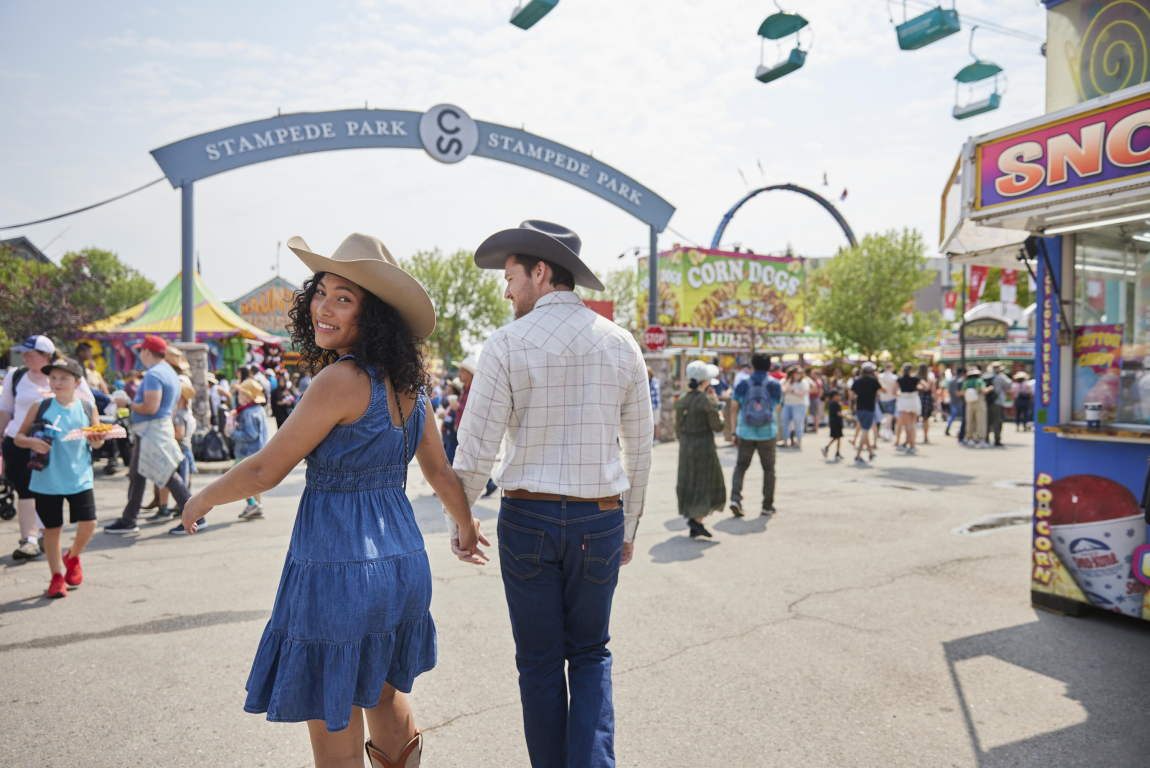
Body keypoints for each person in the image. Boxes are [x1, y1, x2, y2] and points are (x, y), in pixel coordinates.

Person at [180, 233, 482, 767]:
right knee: (386, 692)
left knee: (334, 704)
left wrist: (202, 496)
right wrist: (464, 527)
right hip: (403, 563)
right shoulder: (411, 385)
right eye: (321, 292)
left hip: (338, 565)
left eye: (344, 297)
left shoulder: (338, 380)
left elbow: (265, 469)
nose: (324, 305)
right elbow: (439, 471)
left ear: (376, 315)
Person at [453, 220, 652, 767]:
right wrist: (629, 527)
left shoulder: (506, 344)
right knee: (589, 655)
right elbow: (640, 449)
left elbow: (475, 451)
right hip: (600, 519)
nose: (506, 288)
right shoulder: (621, 343)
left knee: (539, 662)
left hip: (527, 521)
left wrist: (461, 521)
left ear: (540, 272)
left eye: (511, 276)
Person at [15, 358, 105, 598]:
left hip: (80, 477)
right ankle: (56, 577)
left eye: (63, 378)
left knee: (89, 524)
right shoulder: (40, 406)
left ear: (77, 382)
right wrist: (32, 441)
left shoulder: (87, 407)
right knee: (52, 530)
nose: (57, 382)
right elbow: (18, 437)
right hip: (46, 479)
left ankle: (73, 556)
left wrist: (98, 441)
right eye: (53, 377)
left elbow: (97, 440)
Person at [1, 336, 95, 559]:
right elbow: (5, 410)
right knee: (25, 491)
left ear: (46, 356)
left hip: (59, 447)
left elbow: (87, 408)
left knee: (50, 494)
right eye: (23, 353)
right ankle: (29, 540)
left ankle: (47, 535)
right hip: (20, 440)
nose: (25, 357)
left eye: (30, 353)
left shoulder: (67, 375)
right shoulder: (16, 375)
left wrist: (93, 437)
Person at [104, 335, 195, 535]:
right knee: (138, 474)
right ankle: (129, 518)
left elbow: (151, 406)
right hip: (156, 430)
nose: (139, 354)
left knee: (167, 474)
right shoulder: (169, 372)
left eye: (141, 350)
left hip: (152, 431)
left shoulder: (154, 374)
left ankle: (196, 515)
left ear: (147, 351)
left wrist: (127, 403)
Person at [675, 361, 725, 538]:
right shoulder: (707, 400)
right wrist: (718, 409)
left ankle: (694, 522)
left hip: (686, 445)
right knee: (704, 483)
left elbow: (677, 429)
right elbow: (718, 426)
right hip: (704, 445)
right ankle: (696, 522)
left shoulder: (682, 398)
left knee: (690, 481)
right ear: (705, 381)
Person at [729, 352, 782, 517]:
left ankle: (735, 499)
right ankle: (767, 505)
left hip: (745, 432)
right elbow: (777, 407)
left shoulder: (743, 383)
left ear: (752, 366)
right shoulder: (774, 384)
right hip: (767, 433)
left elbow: (734, 407)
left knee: (741, 467)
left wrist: (733, 431)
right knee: (768, 469)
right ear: (769, 367)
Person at [151, 378, 199, 522]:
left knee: (173, 481)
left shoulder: (178, 415)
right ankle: (179, 507)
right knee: (183, 482)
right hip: (187, 450)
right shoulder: (187, 413)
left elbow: (179, 434)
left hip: (179, 451)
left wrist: (165, 431)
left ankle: (180, 510)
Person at [454, 353, 497, 498]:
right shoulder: (466, 388)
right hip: (466, 431)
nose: (459, 374)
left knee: (470, 462)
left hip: (471, 432)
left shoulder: (473, 389)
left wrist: (456, 407)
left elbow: (471, 411)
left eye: (462, 371)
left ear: (469, 373)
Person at [230, 378, 270, 521]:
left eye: (240, 393)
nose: (238, 396)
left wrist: (232, 432)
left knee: (238, 480)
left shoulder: (247, 413)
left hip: (246, 452)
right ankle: (258, 506)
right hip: (257, 451)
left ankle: (253, 504)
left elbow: (250, 435)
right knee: (254, 482)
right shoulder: (257, 409)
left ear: (247, 396)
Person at [851, 362, 882, 464]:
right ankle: (858, 455)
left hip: (860, 409)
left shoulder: (858, 381)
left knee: (864, 430)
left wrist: (856, 401)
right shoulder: (873, 381)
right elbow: (884, 390)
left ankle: (870, 453)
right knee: (865, 431)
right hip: (869, 409)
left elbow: (851, 394)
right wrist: (878, 378)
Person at [780, 366, 810, 449]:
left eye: (799, 373)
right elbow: (781, 389)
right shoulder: (786, 381)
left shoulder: (803, 382)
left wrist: (792, 390)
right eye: (796, 373)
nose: (798, 375)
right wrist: (786, 389)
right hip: (787, 404)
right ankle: (785, 441)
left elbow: (803, 393)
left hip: (799, 404)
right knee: (784, 422)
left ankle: (798, 441)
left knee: (798, 423)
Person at [985, 363, 1011, 447]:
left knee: (987, 422)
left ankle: (986, 439)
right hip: (997, 402)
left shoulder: (985, 376)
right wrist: (1003, 375)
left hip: (986, 402)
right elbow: (1009, 384)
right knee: (997, 421)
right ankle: (997, 439)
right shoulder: (999, 377)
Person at [962, 366, 988, 447]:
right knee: (981, 421)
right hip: (979, 402)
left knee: (970, 421)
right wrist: (989, 389)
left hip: (969, 403)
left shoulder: (966, 382)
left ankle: (970, 438)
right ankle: (981, 439)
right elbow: (984, 390)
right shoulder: (979, 381)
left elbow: (962, 392)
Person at [821, 389, 844, 461]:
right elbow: (838, 413)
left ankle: (829, 449)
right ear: (834, 396)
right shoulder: (837, 404)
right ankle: (836, 453)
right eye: (838, 395)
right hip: (837, 423)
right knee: (838, 438)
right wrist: (846, 416)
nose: (839, 397)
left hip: (832, 424)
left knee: (836, 438)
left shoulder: (831, 404)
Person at [877, 361, 898, 442]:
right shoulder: (894, 377)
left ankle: (889, 434)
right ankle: (884, 430)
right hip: (891, 398)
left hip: (882, 398)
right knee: (890, 416)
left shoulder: (880, 376)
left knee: (887, 416)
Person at [917, 363, 935, 444]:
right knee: (925, 419)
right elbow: (933, 392)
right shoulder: (930, 379)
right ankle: (925, 436)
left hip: (917, 398)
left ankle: (912, 436)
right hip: (927, 400)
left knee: (914, 419)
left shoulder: (916, 378)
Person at [946, 366, 966, 439]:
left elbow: (949, 390)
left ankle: (948, 427)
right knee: (962, 417)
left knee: (952, 415)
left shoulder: (952, 380)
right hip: (960, 401)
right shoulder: (961, 380)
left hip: (952, 400)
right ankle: (960, 431)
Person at [648, 366, 661, 444]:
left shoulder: (655, 381)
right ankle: (650, 439)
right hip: (648, 407)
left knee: (656, 423)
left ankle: (656, 438)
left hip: (655, 405)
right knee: (649, 423)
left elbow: (654, 391)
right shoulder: (644, 382)